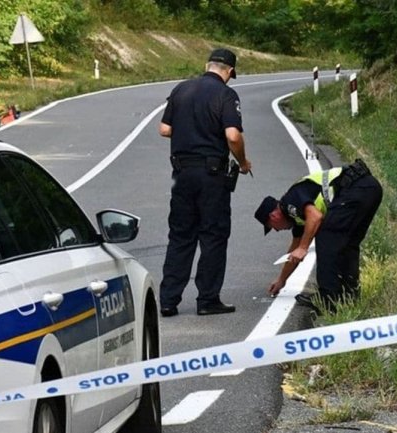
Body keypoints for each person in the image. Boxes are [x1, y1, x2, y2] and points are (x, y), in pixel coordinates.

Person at [158, 48, 252, 317]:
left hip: (182, 174)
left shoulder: (181, 89)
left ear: (206, 65)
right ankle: (208, 299)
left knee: (180, 236)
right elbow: (233, 136)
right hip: (212, 176)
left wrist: (189, 132)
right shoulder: (226, 94)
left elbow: (164, 129)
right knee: (213, 235)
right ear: (230, 72)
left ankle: (168, 300)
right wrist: (243, 162)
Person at [254, 159, 382, 314]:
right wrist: (282, 280)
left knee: (325, 236)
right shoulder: (297, 218)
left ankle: (328, 299)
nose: (277, 230)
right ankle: (349, 295)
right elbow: (293, 251)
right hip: (369, 188)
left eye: (272, 227)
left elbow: (315, 217)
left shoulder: (290, 202)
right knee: (348, 245)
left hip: (356, 188)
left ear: (273, 216)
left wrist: (303, 248)